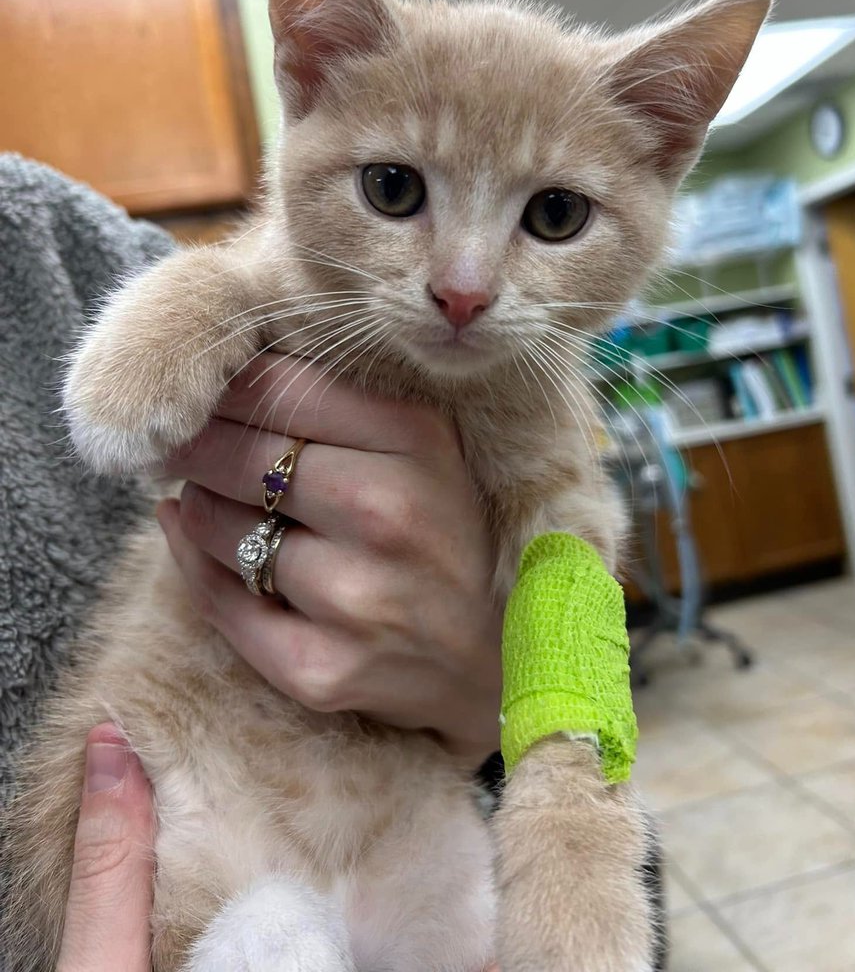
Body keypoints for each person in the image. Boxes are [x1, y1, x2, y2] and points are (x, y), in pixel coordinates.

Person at [0, 156, 503, 969]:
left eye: (549, 212)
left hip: (404, 843)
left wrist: (493, 703)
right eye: (396, 189)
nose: (465, 284)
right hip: (190, 870)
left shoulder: (57, 235)